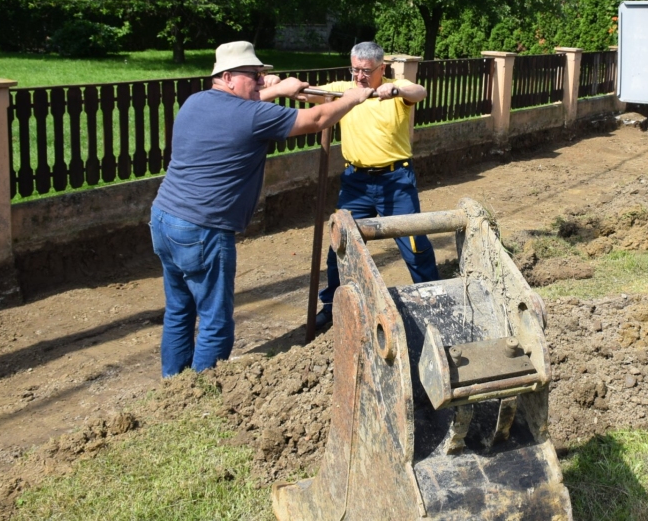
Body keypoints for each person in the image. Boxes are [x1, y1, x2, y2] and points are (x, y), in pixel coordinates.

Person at [150, 41, 372, 377]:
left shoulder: (197, 102)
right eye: (253, 75)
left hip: (164, 220)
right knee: (214, 318)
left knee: (180, 309)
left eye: (261, 74)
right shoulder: (251, 115)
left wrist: (280, 89)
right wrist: (353, 97)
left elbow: (240, 113)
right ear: (227, 77)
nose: (259, 80)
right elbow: (318, 118)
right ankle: (201, 392)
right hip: (203, 230)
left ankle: (173, 385)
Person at [313, 41, 435, 326]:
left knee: (414, 242)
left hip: (395, 180)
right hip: (356, 182)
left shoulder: (397, 89)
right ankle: (333, 305)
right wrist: (279, 86)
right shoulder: (344, 90)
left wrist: (396, 90)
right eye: (355, 70)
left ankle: (431, 296)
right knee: (340, 244)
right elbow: (311, 96)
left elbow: (420, 92)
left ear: (382, 68)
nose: (359, 77)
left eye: (366, 71)